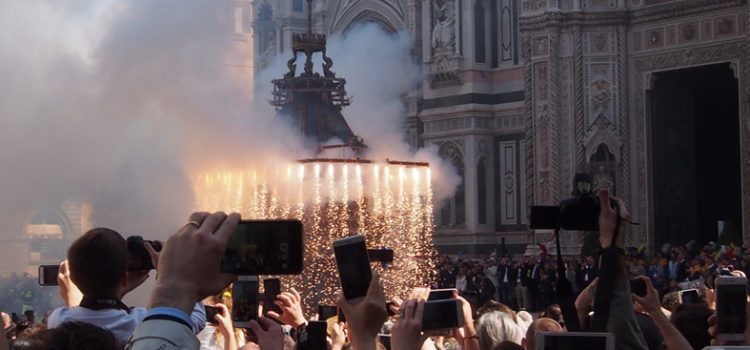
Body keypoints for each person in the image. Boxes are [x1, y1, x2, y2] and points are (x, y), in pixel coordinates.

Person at [47, 227, 206, 347]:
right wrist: (171, 270)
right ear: (124, 278)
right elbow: (194, 319)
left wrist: (117, 290)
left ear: (72, 279)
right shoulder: (141, 322)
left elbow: (90, 316)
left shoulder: (58, 319)